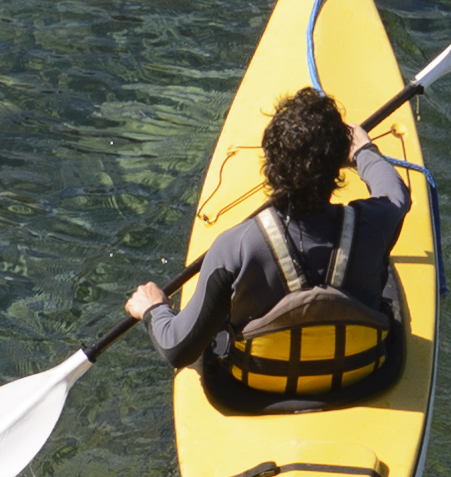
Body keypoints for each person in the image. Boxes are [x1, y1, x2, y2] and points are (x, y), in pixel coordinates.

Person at [131, 83, 411, 388]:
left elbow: (177, 349)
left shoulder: (234, 248)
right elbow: (395, 193)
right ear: (339, 168)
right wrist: (364, 152)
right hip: (361, 374)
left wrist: (154, 310)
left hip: (260, 386)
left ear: (269, 166)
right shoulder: (377, 222)